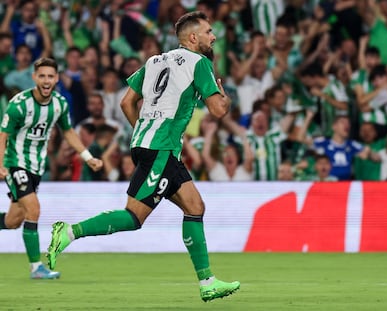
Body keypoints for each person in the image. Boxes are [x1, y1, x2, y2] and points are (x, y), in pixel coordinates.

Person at [47, 11, 240, 302]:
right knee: (134, 217)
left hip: (148, 145)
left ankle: (207, 282)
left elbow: (127, 101)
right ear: (193, 37)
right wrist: (224, 96)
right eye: (209, 32)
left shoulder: (154, 61)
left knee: (194, 205)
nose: (214, 37)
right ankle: (69, 232)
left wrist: (143, 130)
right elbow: (218, 111)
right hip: (160, 148)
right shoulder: (200, 63)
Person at [0, 57, 103, 279]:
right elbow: (3, 135)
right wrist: (0, 164)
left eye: (50, 76)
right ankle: (36, 267)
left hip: (36, 167)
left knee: (13, 221)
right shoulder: (19, 104)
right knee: (34, 209)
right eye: (42, 76)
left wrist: (87, 157)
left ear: (56, 79)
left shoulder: (59, 104)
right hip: (16, 163)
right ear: (34, 77)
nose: (46, 80)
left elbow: (68, 132)